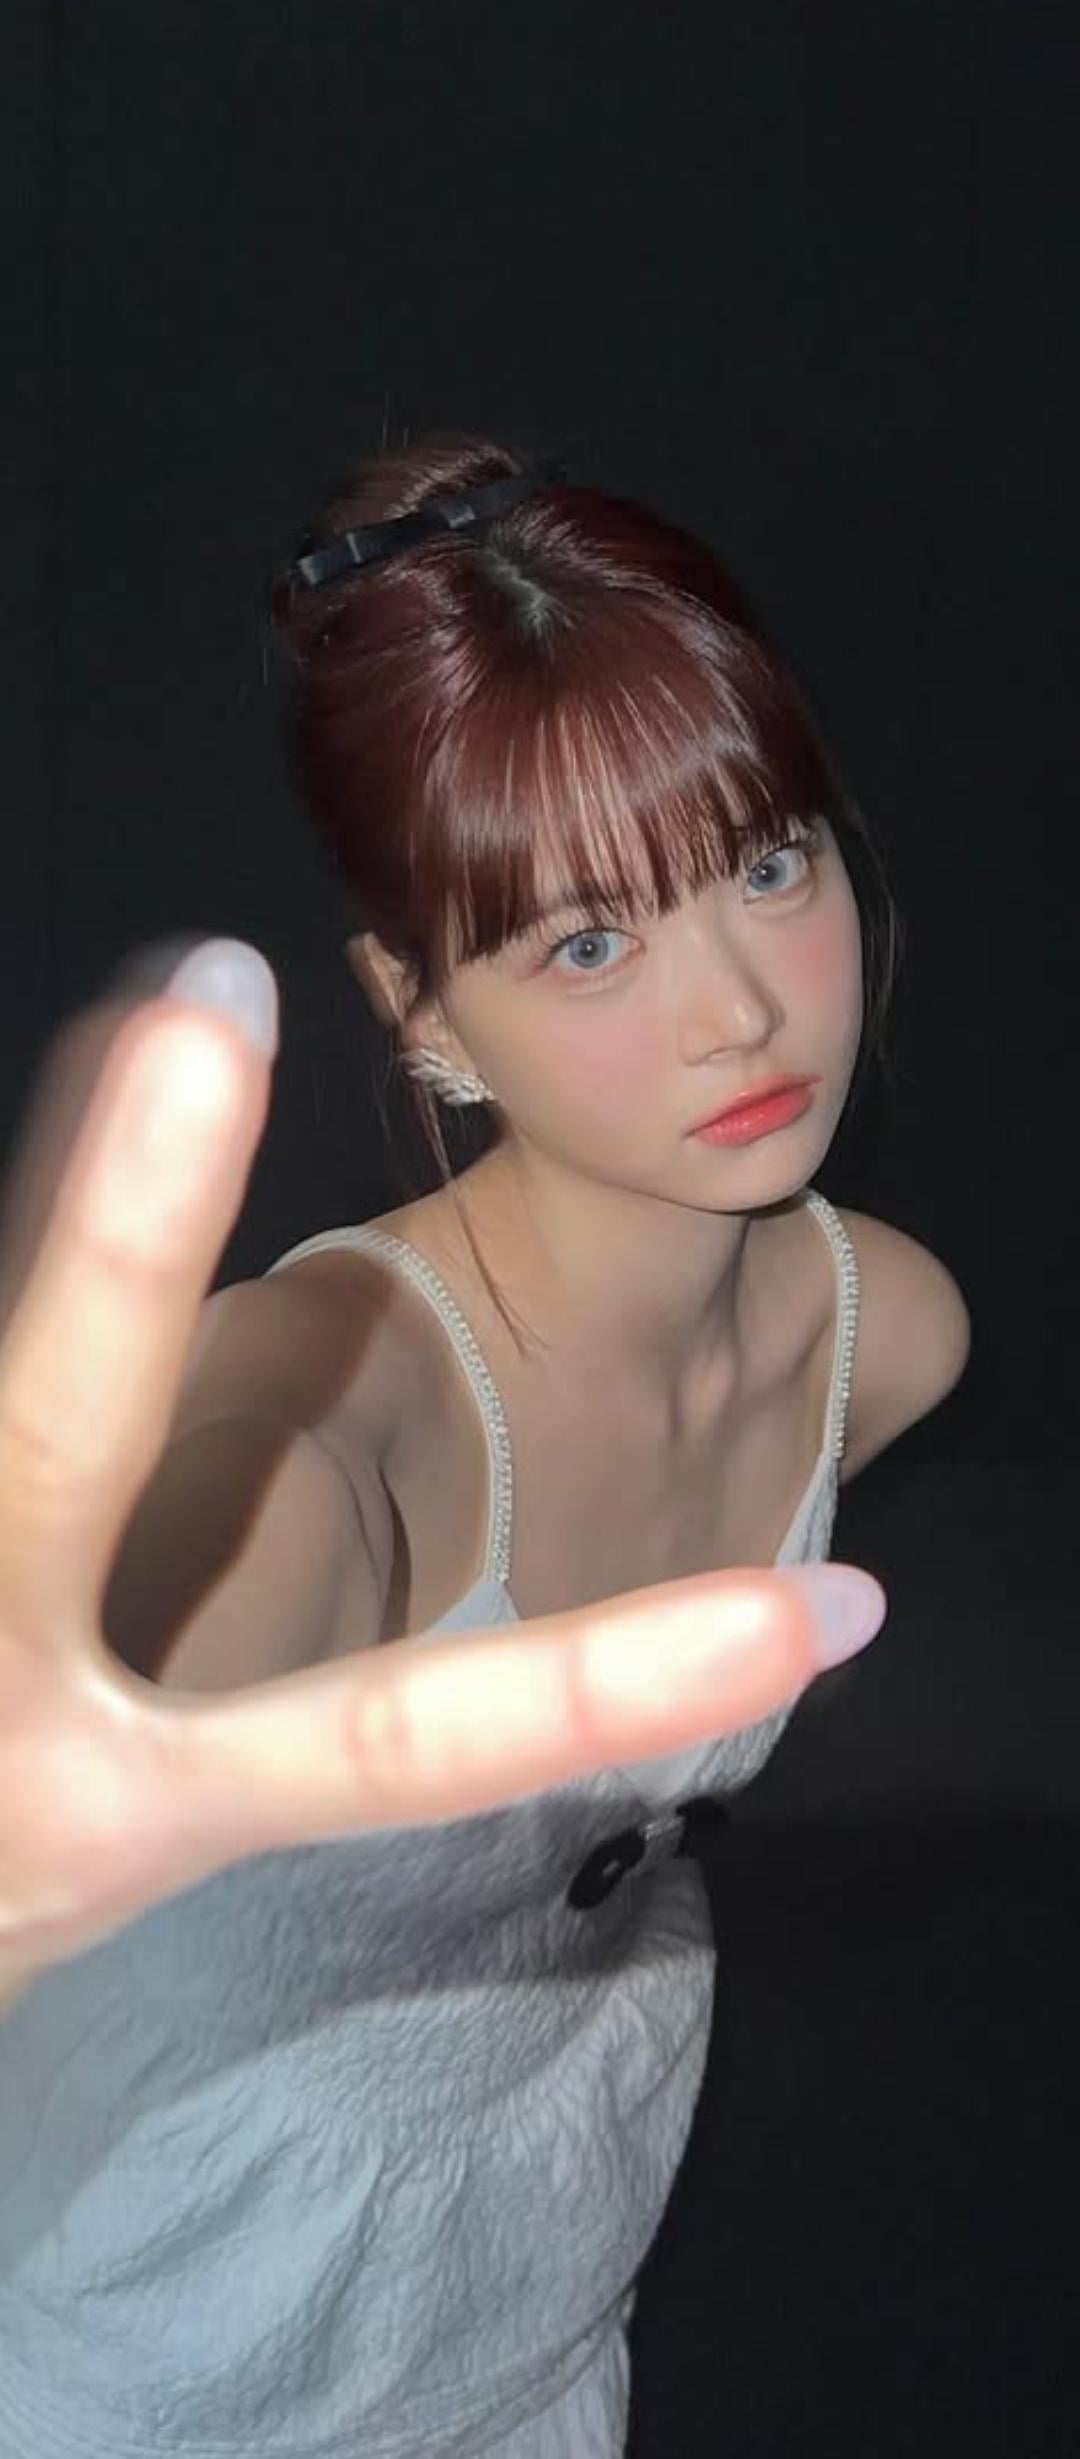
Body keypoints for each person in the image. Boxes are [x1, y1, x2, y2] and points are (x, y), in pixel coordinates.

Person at [0, 435, 967, 2458]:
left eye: (766, 865)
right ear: (421, 1011)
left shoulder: (887, 1335)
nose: (737, 1012)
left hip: (544, 2226)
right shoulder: (333, 1411)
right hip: (192, 2296)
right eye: (587, 941)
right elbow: (203, 1543)